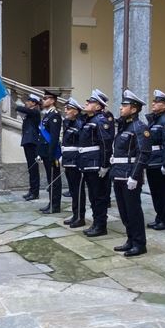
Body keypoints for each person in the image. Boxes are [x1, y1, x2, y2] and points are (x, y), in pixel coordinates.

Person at [109, 90, 151, 257]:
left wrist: (135, 176)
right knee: (124, 211)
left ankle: (140, 243)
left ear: (134, 109)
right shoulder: (124, 126)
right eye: (121, 105)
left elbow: (143, 153)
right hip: (118, 173)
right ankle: (130, 239)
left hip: (130, 176)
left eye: (125, 105)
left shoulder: (139, 128)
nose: (121, 108)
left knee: (133, 211)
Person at [78, 89, 114, 237]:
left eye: (91, 102)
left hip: (96, 164)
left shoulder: (100, 121)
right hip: (88, 163)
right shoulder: (89, 120)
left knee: (99, 196)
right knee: (93, 196)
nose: (86, 103)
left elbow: (105, 144)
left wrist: (105, 165)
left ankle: (101, 225)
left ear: (99, 107)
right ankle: (96, 223)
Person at [144, 90, 165, 231]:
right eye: (154, 101)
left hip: (160, 162)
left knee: (163, 192)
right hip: (151, 161)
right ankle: (159, 217)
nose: (153, 104)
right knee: (155, 192)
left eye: (157, 102)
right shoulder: (154, 121)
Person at [59, 97, 88, 228]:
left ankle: (80, 217)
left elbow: (81, 145)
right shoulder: (68, 123)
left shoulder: (80, 124)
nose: (66, 110)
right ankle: (75, 214)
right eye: (66, 108)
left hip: (76, 162)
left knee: (78, 191)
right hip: (68, 160)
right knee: (72, 190)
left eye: (69, 108)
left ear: (76, 111)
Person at [38, 90, 64, 214]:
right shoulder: (47, 115)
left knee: (54, 180)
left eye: (46, 98)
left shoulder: (55, 115)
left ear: (53, 100)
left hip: (52, 153)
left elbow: (54, 138)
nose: (43, 100)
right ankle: (51, 203)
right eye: (43, 98)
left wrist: (51, 154)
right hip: (45, 152)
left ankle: (55, 205)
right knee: (50, 179)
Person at [14, 91, 43, 201]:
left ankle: (35, 192)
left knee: (33, 168)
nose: (26, 103)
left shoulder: (35, 112)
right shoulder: (30, 112)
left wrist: (15, 105)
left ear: (34, 103)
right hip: (28, 142)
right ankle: (32, 190)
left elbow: (22, 109)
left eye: (29, 101)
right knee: (31, 168)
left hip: (32, 143)